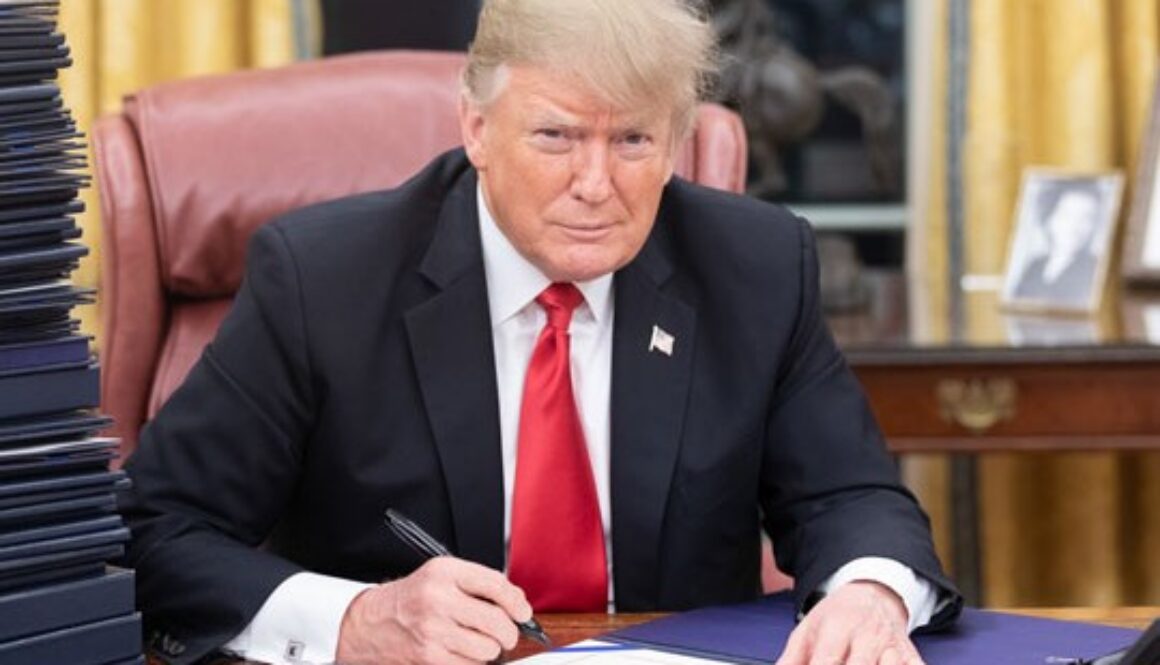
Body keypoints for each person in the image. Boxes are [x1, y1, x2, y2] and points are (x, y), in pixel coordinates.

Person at [118, 1, 961, 664]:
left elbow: (849, 498)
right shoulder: (324, 279)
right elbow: (159, 533)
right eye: (556, 135)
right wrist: (355, 619)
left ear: (676, 144)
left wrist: (867, 595)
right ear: (477, 128)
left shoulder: (756, 266)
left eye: (633, 138)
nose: (596, 184)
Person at [1011, 182, 1105, 309]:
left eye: (1087, 218)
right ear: (1049, 220)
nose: (1075, 227)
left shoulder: (1095, 268)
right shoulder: (1035, 266)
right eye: (1068, 215)